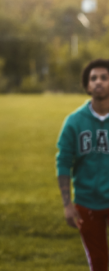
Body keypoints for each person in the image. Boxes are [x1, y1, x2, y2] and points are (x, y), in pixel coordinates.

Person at [56, 59, 109, 271]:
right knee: (98, 263)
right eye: (93, 78)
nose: (99, 82)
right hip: (87, 203)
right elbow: (63, 163)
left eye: (104, 77)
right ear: (87, 86)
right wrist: (67, 204)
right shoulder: (74, 122)